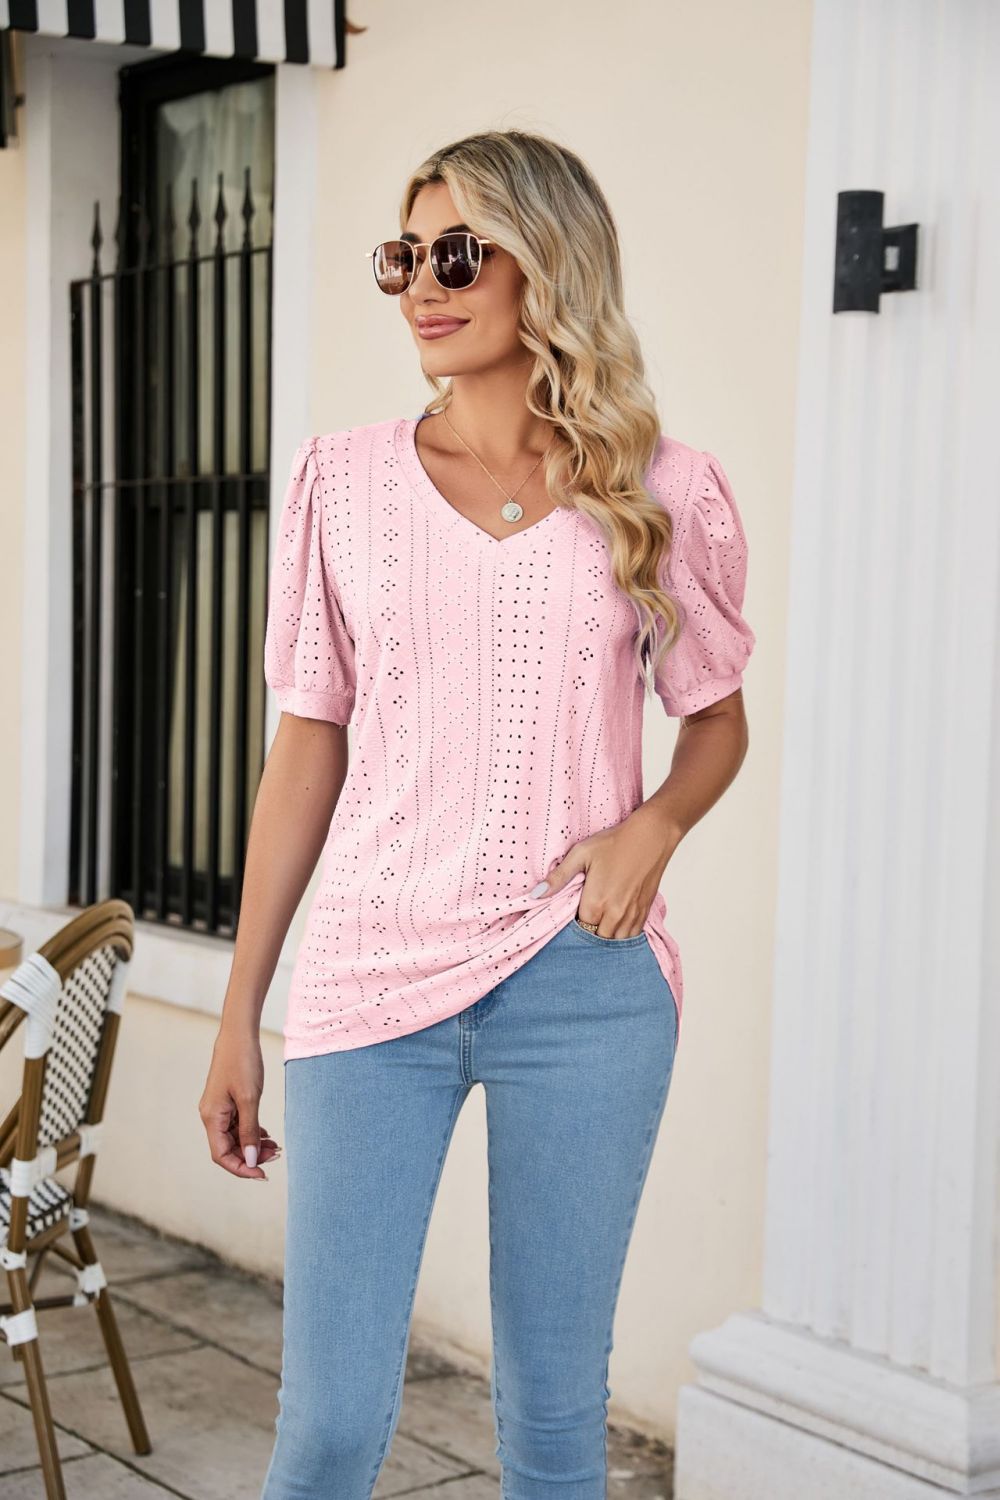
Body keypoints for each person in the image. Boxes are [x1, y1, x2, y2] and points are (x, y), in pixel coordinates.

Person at [199, 128, 756, 1500]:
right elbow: (305, 746)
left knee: (555, 1425)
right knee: (330, 1428)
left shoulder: (660, 489)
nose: (421, 288)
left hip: (585, 978)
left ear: (545, 266)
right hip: (371, 976)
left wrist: (651, 830)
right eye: (402, 258)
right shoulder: (342, 481)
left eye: (459, 254)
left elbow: (717, 720)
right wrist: (239, 1010)